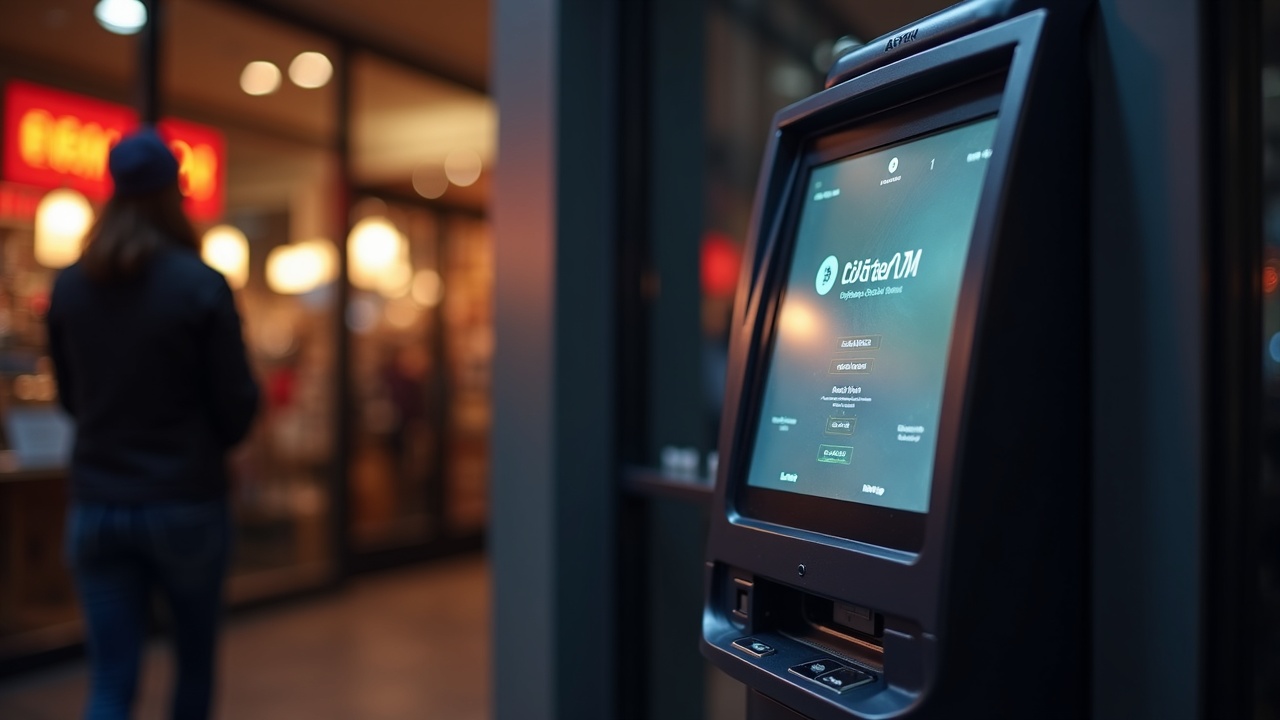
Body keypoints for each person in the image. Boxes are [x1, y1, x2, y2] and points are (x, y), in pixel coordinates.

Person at [46, 127, 260, 720]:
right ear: (175, 196)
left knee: (110, 683)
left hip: (98, 502)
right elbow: (236, 407)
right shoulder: (201, 285)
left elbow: (71, 400)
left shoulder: (68, 288)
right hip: (185, 501)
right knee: (192, 670)